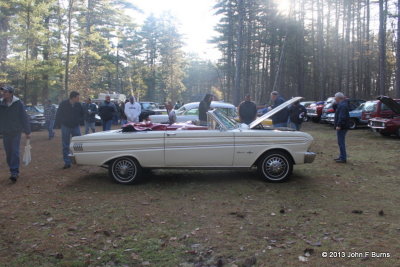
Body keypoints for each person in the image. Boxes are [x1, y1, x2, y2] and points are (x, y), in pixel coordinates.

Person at [0, 85, 31, 182]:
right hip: (5, 132)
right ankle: (12, 169)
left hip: (16, 131)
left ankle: (14, 172)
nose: (3, 93)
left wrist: (27, 131)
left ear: (11, 93)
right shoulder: (1, 104)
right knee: (9, 152)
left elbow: (24, 117)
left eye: (5, 92)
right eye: (3, 92)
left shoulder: (18, 103)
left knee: (15, 151)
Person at [54, 91, 83, 169]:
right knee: (65, 145)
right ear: (73, 98)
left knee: (78, 144)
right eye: (77, 98)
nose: (78, 99)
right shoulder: (63, 104)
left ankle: (79, 160)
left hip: (75, 126)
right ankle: (67, 162)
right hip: (65, 126)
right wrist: (58, 125)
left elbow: (82, 114)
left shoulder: (78, 105)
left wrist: (79, 121)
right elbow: (58, 114)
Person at [333, 92, 350, 163]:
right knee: (340, 142)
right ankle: (341, 156)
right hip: (343, 126)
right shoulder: (341, 104)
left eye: (335, 97)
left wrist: (339, 125)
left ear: (338, 98)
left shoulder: (343, 105)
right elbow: (336, 110)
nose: (334, 98)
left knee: (341, 142)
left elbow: (342, 117)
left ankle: (343, 158)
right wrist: (334, 104)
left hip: (342, 127)